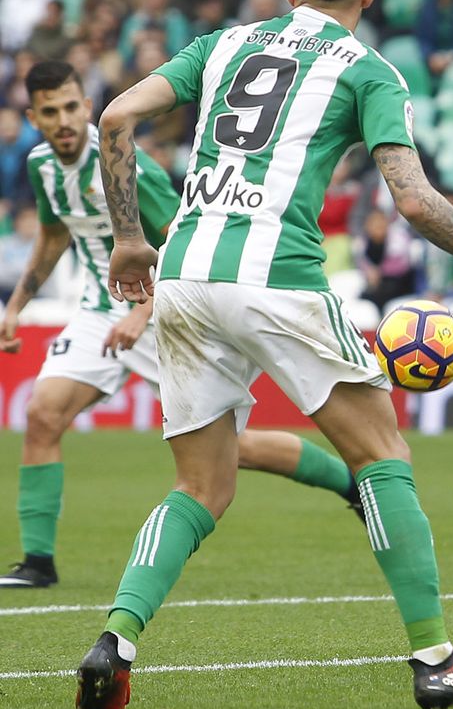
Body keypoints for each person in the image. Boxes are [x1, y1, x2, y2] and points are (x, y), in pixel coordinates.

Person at [78, 0, 453, 709]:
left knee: (202, 485)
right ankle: (436, 661)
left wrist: (129, 238)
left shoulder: (222, 46)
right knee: (381, 452)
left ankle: (115, 641)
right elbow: (412, 198)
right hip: (279, 277)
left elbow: (116, 115)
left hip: (186, 274)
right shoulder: (370, 71)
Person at [0, 61, 361, 590]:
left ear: (86, 105)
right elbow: (55, 236)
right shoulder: (41, 166)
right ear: (33, 117)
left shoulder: (126, 166)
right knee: (42, 415)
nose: (65, 121)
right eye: (50, 112)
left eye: (73, 107)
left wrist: (143, 312)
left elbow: (181, 241)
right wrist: (16, 307)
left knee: (233, 453)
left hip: (163, 314)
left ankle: (349, 482)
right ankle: (38, 563)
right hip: (101, 314)